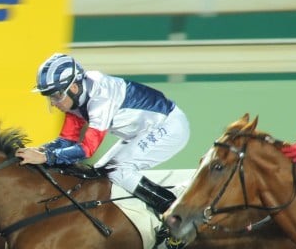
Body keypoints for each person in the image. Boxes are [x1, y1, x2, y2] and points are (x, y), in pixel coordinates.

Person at [15, 53, 190, 214]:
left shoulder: (101, 97)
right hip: (143, 130)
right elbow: (67, 140)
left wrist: (46, 157)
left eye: (55, 95)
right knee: (99, 173)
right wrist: (41, 150)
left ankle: (176, 212)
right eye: (50, 97)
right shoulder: (76, 97)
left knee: (118, 171)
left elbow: (87, 150)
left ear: (73, 87)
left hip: (169, 127)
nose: (53, 103)